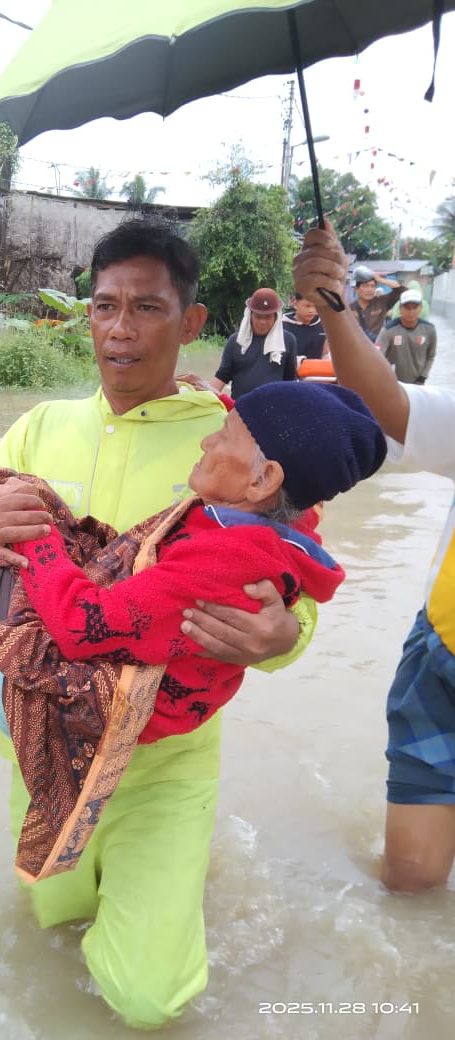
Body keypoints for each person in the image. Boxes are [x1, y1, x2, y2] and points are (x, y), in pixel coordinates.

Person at [0, 219, 315, 1029]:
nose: (120, 329)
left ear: (191, 321)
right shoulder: (38, 430)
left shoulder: (235, 443)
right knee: (53, 929)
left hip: (165, 762)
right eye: (105, 306)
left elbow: (298, 587)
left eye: (147, 307)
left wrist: (285, 638)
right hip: (39, 749)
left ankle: (169, 880)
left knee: (149, 998)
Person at [0, 381, 385, 748]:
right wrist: (217, 401)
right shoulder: (279, 526)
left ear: (263, 480)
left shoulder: (224, 558)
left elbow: (80, 624)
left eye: (223, 434)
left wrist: (34, 532)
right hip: (153, 707)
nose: (206, 441)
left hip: (80, 714)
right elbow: (268, 442)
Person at [294, 219, 455, 894]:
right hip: (446, 649)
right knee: (411, 880)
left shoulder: (428, 337)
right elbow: (387, 402)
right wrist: (335, 307)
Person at [211, 287, 298, 399]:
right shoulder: (236, 341)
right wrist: (206, 396)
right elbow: (222, 375)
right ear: (250, 315)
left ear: (276, 317)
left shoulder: (288, 341)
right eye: (258, 316)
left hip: (274, 405)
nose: (262, 322)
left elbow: (290, 381)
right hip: (239, 406)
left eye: (267, 317)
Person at [375, 288, 437, 385]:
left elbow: (431, 355)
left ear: (421, 308)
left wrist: (422, 377)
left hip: (417, 383)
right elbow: (377, 354)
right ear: (400, 309)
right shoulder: (388, 330)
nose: (411, 312)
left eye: (415, 307)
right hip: (392, 382)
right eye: (407, 307)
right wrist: (385, 375)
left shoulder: (429, 330)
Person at [349, 265, 403, 341]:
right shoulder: (349, 309)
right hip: (355, 345)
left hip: (377, 346)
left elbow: (400, 290)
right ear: (357, 289)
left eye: (373, 286)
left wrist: (380, 280)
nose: (370, 290)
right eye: (366, 286)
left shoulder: (382, 302)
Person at [283, 292, 329, 359]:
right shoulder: (282, 326)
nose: (311, 310)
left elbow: (325, 354)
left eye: (315, 306)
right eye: (307, 306)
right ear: (295, 304)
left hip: (318, 365)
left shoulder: (323, 325)